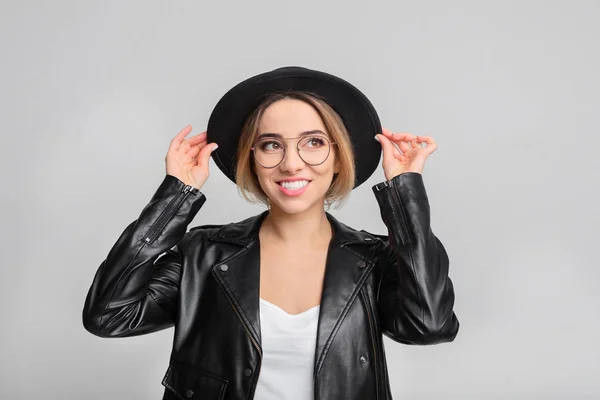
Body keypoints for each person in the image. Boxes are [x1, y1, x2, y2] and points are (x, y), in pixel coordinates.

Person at [82, 66, 459, 400]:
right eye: (271, 145)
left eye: (313, 142)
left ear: (339, 155)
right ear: (251, 158)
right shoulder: (202, 254)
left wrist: (404, 193)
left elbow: (429, 326)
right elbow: (108, 316)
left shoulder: (375, 259)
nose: (291, 163)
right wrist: (174, 198)